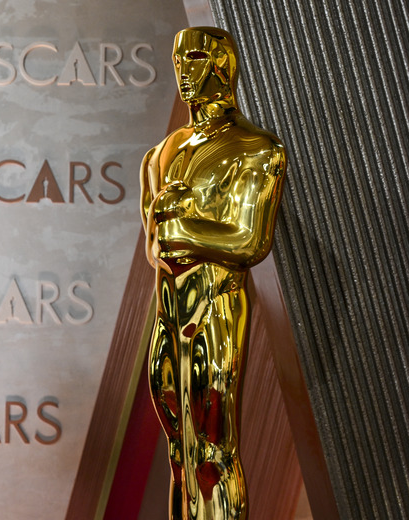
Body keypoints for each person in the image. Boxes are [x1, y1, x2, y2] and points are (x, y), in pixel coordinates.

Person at [140, 27, 286, 519]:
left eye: (197, 58)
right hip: (168, 312)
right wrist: (171, 233)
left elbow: (250, 241)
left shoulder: (256, 148)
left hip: (215, 307)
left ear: (224, 65)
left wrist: (182, 226)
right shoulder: (159, 155)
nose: (185, 69)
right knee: (178, 451)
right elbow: (154, 246)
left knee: (212, 448)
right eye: (179, 59)